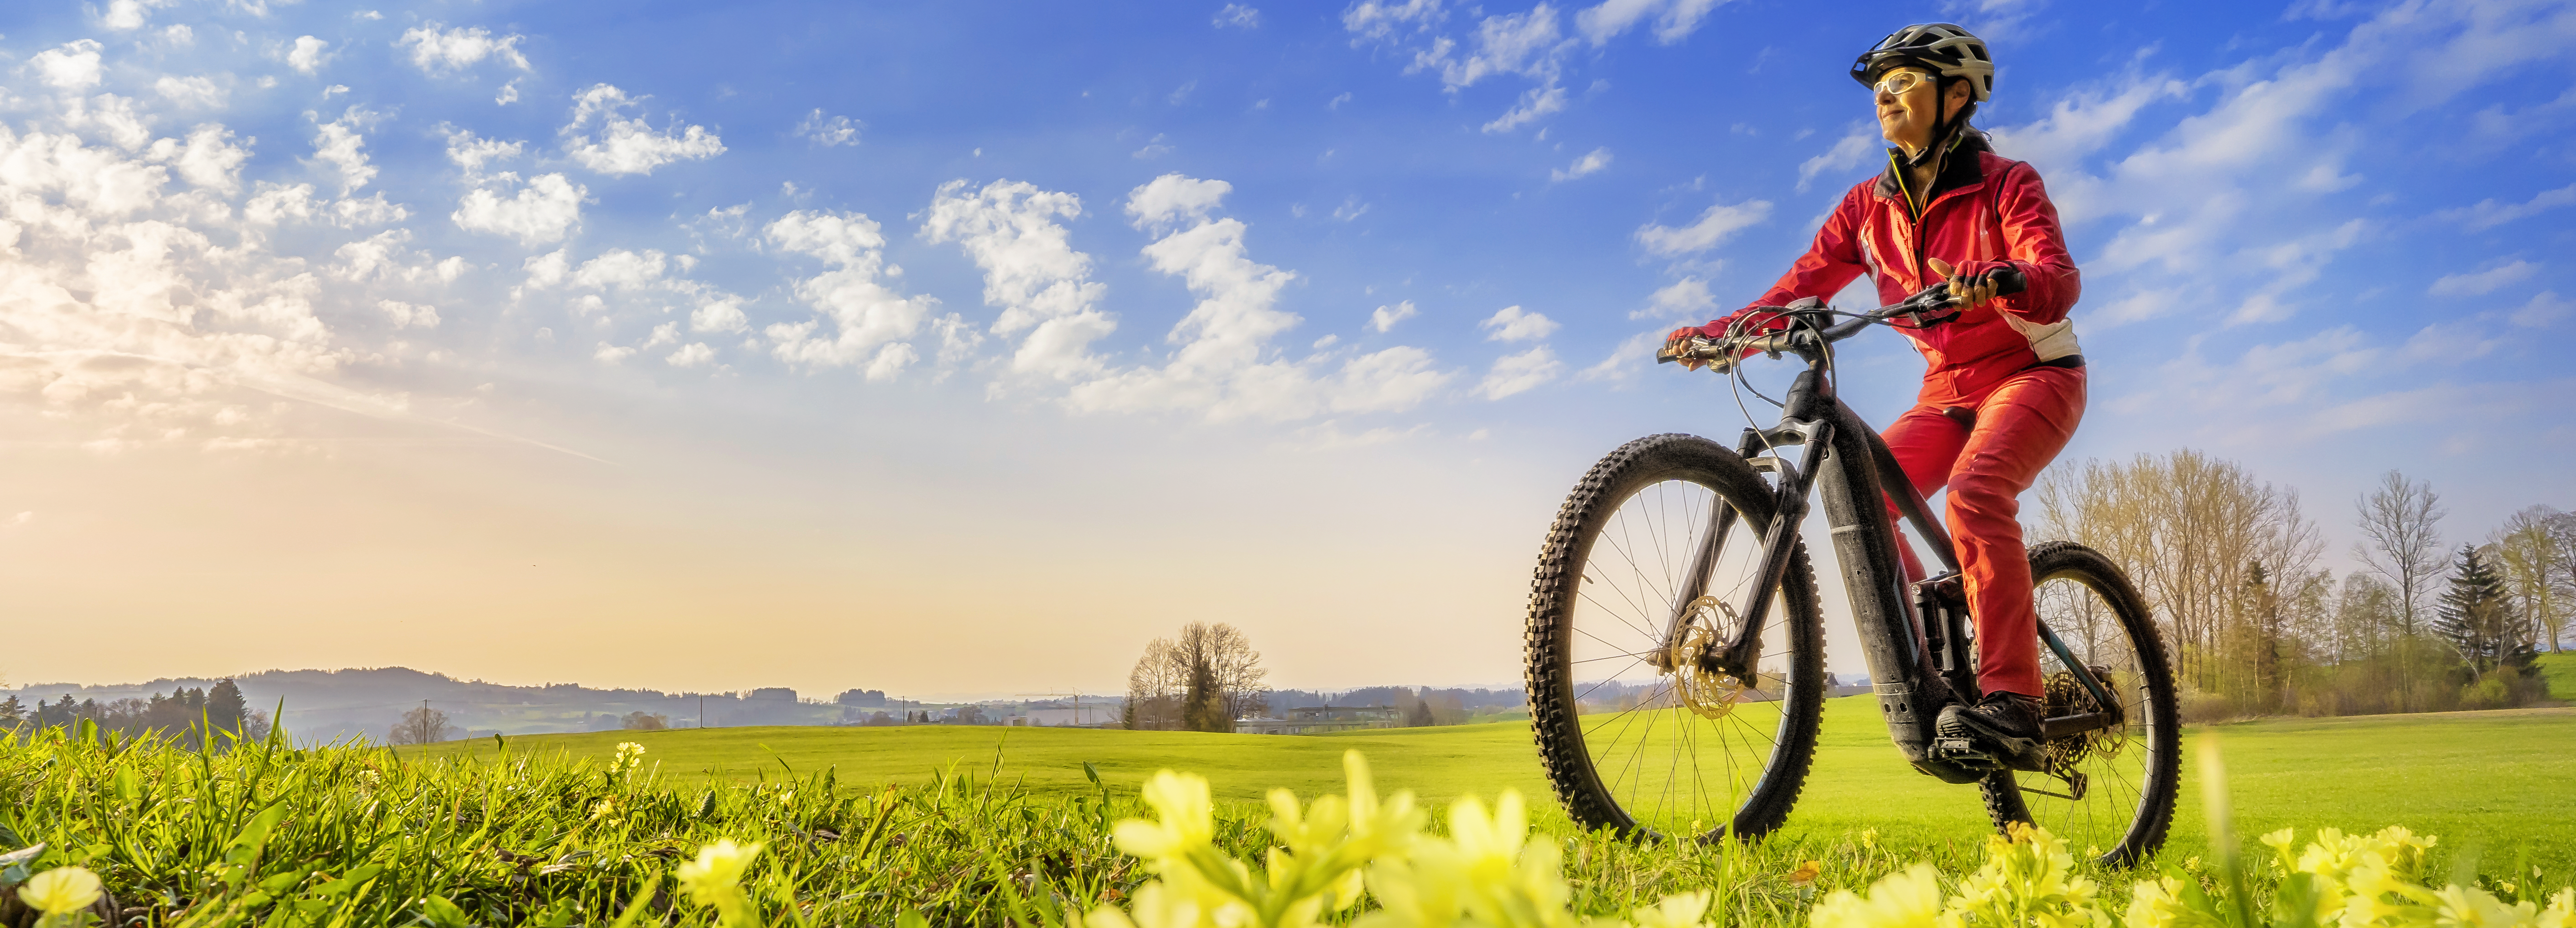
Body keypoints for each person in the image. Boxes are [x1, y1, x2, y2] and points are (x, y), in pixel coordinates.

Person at [1663, 23, 2085, 758]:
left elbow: (2057, 277)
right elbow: (1797, 289)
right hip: (1946, 392)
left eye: (1905, 81)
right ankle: (1933, 666)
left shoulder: (2007, 184)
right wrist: (1722, 332)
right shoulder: (1868, 209)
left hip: (2034, 371)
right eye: (1879, 87)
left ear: (1957, 97)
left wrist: (2007, 276)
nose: (1885, 95)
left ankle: (2015, 698)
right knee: (1868, 495)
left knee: (1979, 491)